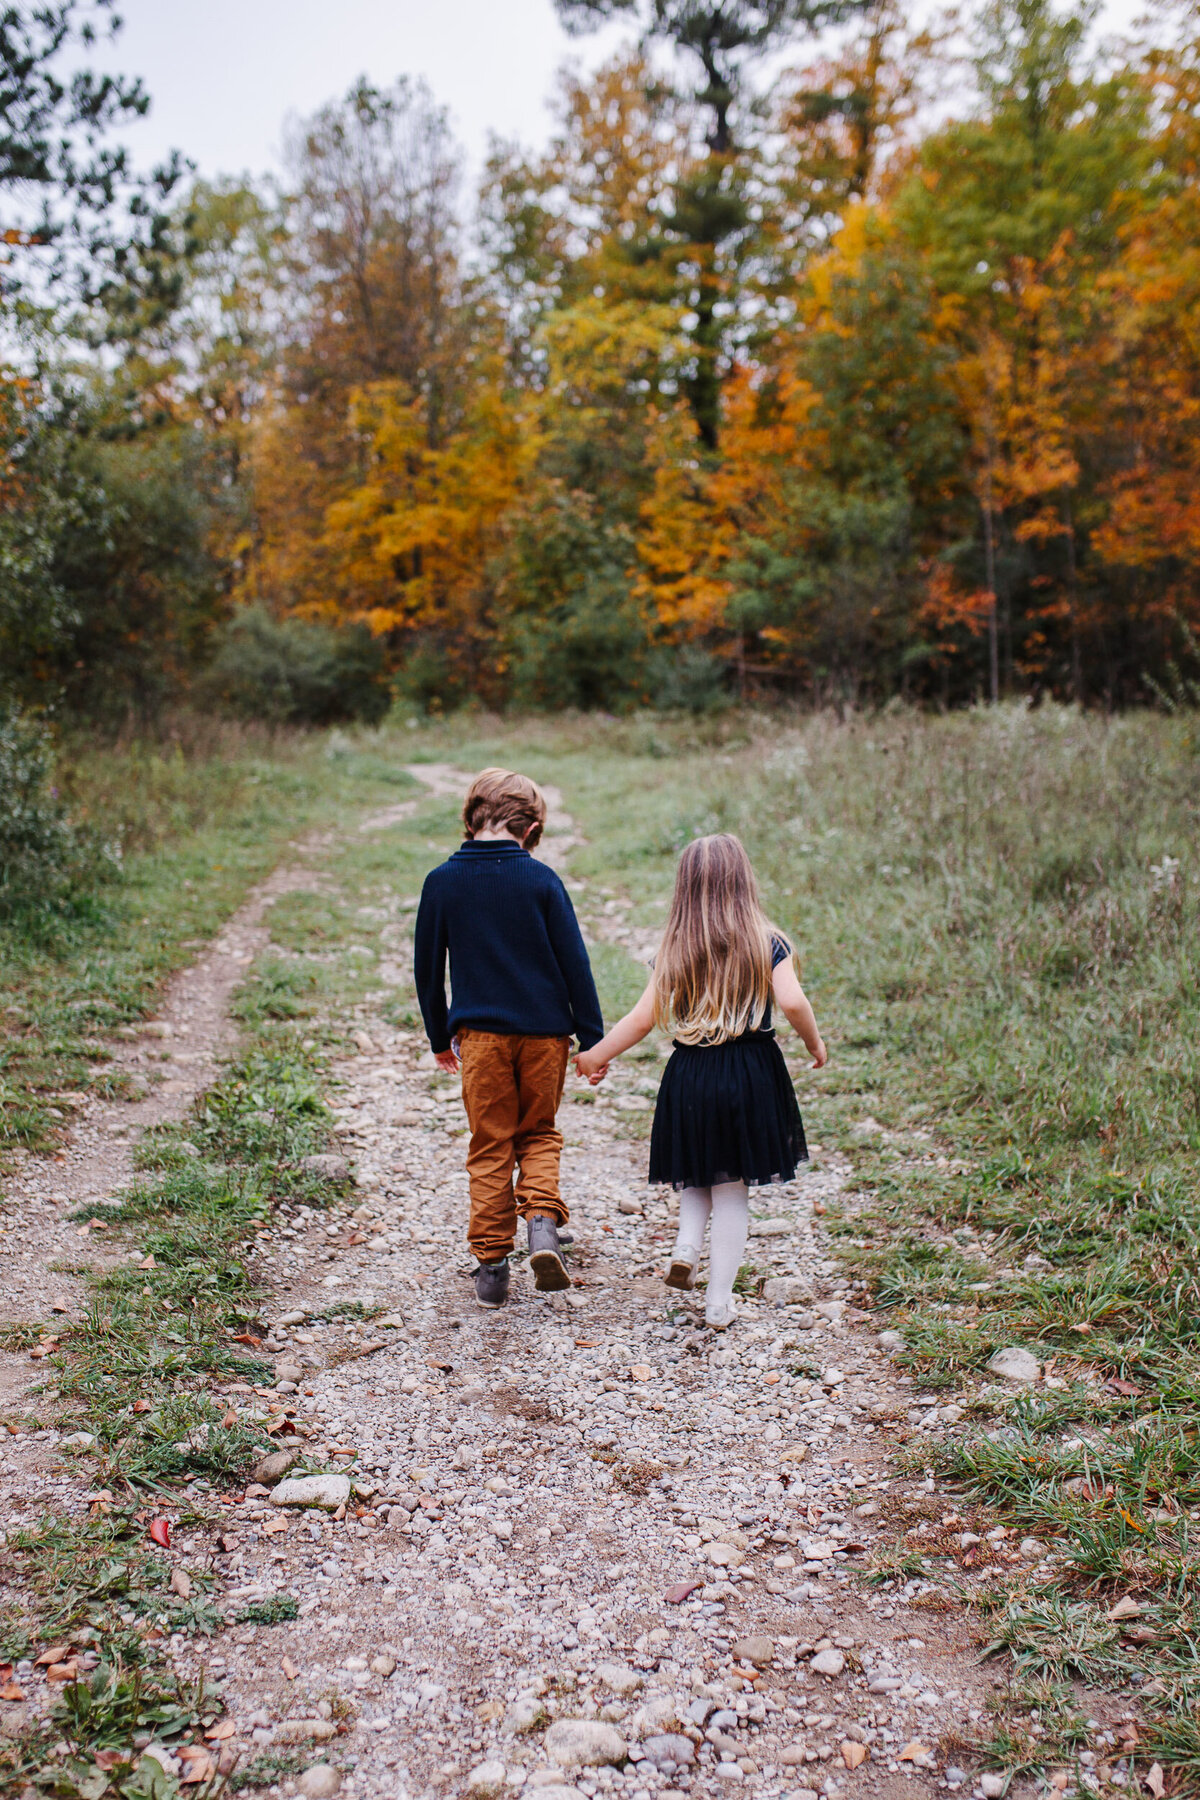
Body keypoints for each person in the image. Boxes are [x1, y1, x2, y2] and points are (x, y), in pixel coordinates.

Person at [576, 833, 827, 1330]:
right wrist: (814, 1044)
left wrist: (595, 1055)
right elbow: (794, 1002)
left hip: (690, 1072)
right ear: (744, 882)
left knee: (696, 1173)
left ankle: (686, 1248)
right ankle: (718, 1303)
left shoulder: (674, 947)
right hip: (750, 1070)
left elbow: (643, 1019)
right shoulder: (768, 942)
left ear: (684, 888)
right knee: (732, 1191)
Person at [414, 768, 605, 1310]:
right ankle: (542, 1226)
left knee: (491, 1142)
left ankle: (493, 1266)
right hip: (547, 1037)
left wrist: (437, 1035)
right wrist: (590, 1037)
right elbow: (576, 964)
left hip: (481, 1040)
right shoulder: (543, 881)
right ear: (533, 827)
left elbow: (427, 970)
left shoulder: (442, 882)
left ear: (470, 817)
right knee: (539, 1133)